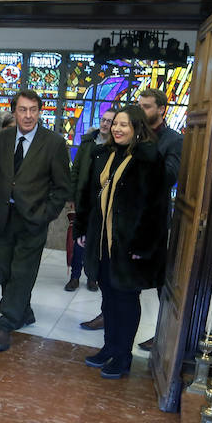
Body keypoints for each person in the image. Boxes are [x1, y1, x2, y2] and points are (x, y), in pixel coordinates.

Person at [74, 105, 168, 378]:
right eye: (115, 124)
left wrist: (144, 245)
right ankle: (109, 348)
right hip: (102, 241)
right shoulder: (104, 154)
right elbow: (88, 196)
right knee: (108, 298)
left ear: (137, 128)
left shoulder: (149, 159)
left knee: (125, 300)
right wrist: (82, 227)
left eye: (124, 125)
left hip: (129, 244)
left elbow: (157, 208)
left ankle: (123, 356)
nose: (117, 128)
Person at [0, 89, 71, 352]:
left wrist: (46, 214)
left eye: (33, 110)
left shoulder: (54, 143)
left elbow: (62, 187)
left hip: (33, 219)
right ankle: (24, 311)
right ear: (14, 111)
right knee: (6, 269)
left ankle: (7, 323)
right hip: (2, 217)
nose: (28, 115)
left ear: (40, 111)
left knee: (23, 272)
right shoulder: (1, 139)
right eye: (23, 109)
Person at [136, 87, 184, 352]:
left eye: (147, 106)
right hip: (127, 217)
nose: (141, 110)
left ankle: (163, 334)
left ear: (161, 110)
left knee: (157, 280)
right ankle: (109, 317)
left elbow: (169, 177)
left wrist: (146, 150)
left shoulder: (172, 140)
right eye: (139, 105)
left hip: (153, 220)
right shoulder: (134, 135)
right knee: (120, 276)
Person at [68, 108, 114, 294]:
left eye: (109, 121)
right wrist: (72, 195)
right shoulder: (87, 142)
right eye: (103, 119)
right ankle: (74, 276)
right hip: (83, 197)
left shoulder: (114, 146)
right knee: (79, 238)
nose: (105, 124)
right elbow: (76, 169)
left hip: (102, 201)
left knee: (95, 241)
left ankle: (92, 277)